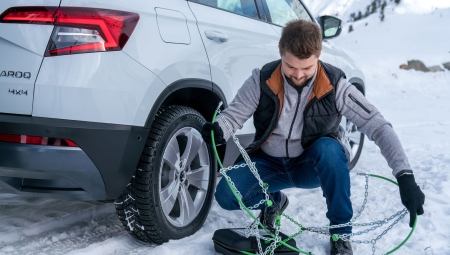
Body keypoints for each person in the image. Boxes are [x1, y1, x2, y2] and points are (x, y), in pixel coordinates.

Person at [200, 19, 424, 255]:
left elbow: (377, 125)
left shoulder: (336, 85)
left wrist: (405, 176)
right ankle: (273, 202)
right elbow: (233, 115)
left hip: (310, 164)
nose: (298, 75)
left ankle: (340, 234)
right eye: (290, 66)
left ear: (318, 56)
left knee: (329, 149)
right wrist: (219, 129)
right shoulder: (262, 79)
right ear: (281, 53)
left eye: (306, 68)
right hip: (268, 164)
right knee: (226, 195)